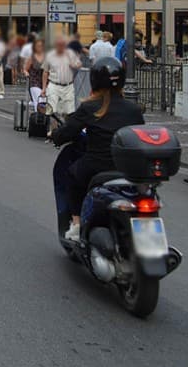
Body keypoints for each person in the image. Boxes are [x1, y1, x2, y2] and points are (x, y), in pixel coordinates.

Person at [50, 57, 144, 242]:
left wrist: (54, 135)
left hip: (98, 166)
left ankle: (76, 224)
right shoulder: (133, 109)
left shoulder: (91, 107)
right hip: (128, 169)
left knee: (71, 175)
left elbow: (67, 132)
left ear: (94, 80)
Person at [42, 34, 82, 116]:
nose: (61, 47)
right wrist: (43, 88)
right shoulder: (49, 55)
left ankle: (65, 128)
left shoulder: (70, 53)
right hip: (54, 85)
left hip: (68, 86)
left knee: (68, 112)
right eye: (59, 45)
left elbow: (79, 64)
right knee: (52, 111)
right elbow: (45, 72)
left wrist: (74, 65)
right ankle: (53, 129)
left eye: (63, 45)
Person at [24, 37, 46, 109]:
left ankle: (43, 118)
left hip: (45, 82)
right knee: (39, 101)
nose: (40, 47)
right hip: (34, 81)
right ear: (35, 47)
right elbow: (25, 69)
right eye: (38, 46)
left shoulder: (46, 57)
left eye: (41, 46)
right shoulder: (32, 57)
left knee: (45, 102)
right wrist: (26, 73)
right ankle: (39, 116)